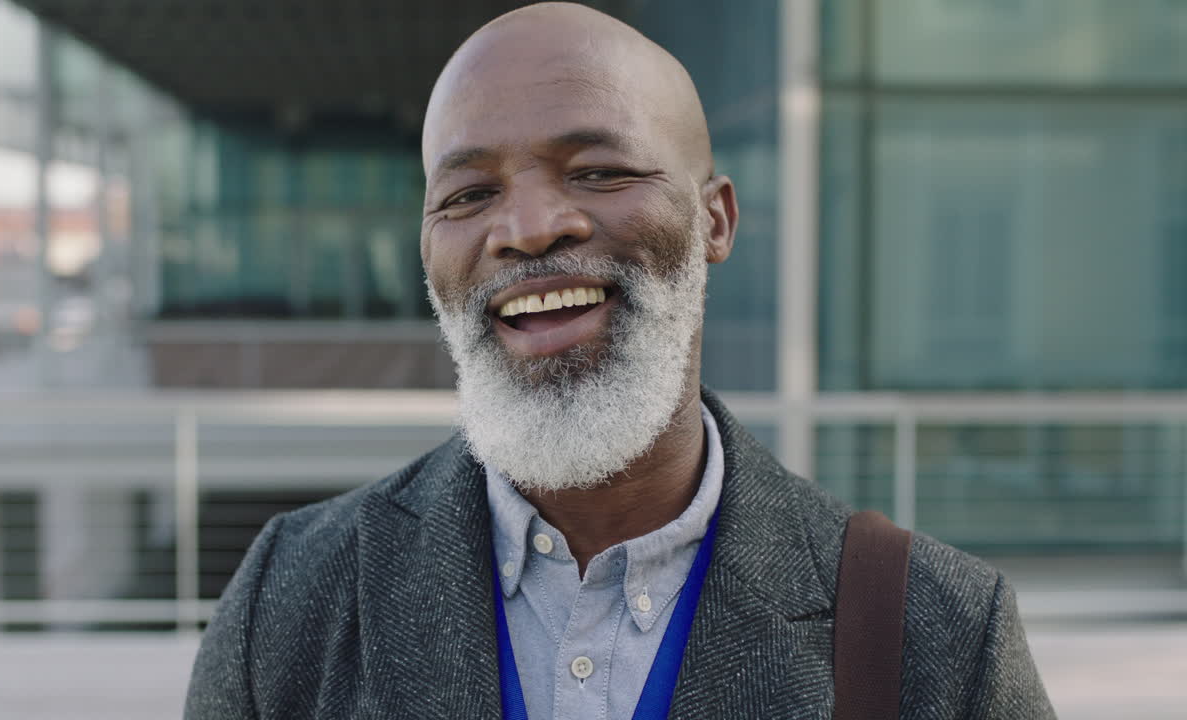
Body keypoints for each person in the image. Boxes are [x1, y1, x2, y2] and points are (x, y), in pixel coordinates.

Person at [185, 3, 1055, 718]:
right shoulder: (288, 600)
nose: (527, 228)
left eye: (597, 171)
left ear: (714, 220)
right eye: (469, 194)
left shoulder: (935, 633)